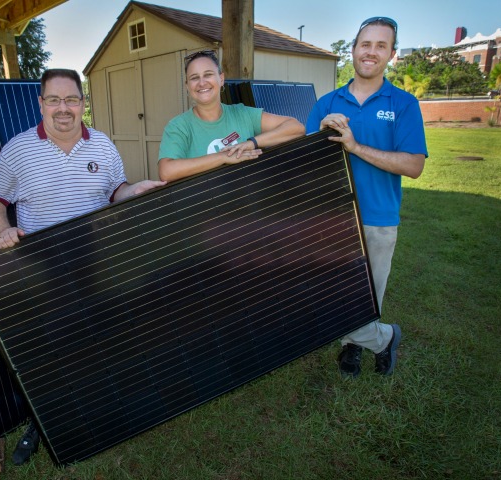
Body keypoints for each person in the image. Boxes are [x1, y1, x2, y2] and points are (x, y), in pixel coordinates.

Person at [0, 68, 165, 465]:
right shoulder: (18, 149)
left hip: (96, 258)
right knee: (54, 344)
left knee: (102, 331)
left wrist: (134, 190)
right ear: (41, 103)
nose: (63, 108)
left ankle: (106, 402)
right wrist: (3, 229)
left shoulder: (101, 145)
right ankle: (49, 417)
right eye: (54, 99)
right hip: (42, 266)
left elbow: (116, 191)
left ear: (83, 104)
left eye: (71, 100)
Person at [305, 16, 428, 377]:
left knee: (366, 295)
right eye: (365, 44)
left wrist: (355, 146)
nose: (371, 52)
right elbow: (305, 166)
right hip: (331, 219)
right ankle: (384, 338)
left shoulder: (403, 104)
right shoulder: (326, 104)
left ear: (391, 53)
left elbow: (413, 164)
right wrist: (319, 139)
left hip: (378, 218)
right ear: (354, 49)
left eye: (380, 45)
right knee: (332, 297)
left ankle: (353, 347)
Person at [158, 49, 305, 182]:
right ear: (187, 86)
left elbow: (296, 128)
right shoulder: (178, 127)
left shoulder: (243, 114)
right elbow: (166, 171)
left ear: (221, 79)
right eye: (194, 78)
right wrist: (223, 157)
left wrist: (251, 143)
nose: (202, 83)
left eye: (208, 74)